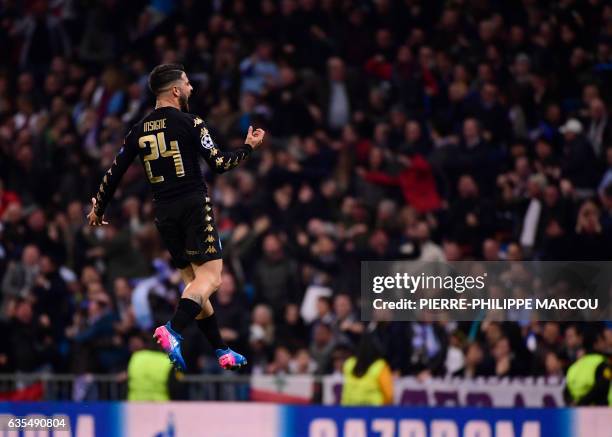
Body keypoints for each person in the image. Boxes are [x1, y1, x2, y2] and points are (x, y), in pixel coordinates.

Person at [86, 64, 265, 371]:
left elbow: (114, 173)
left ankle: (221, 349)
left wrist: (98, 209)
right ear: (175, 90)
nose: (191, 88)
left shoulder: (138, 129)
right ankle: (173, 329)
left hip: (164, 214)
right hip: (193, 206)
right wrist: (248, 148)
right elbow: (220, 163)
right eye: (187, 83)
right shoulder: (190, 122)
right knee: (212, 278)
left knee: (194, 285)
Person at [564, 322, 611, 406]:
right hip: (600, 414)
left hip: (577, 413)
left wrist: (576, 404)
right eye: (603, 340)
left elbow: (566, 392)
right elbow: (602, 388)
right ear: (597, 342)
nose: (605, 343)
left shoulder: (573, 367)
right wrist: (582, 403)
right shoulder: (602, 364)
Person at [341, 333, 393, 406]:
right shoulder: (380, 366)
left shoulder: (349, 364)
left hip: (349, 411)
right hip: (374, 413)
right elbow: (389, 396)